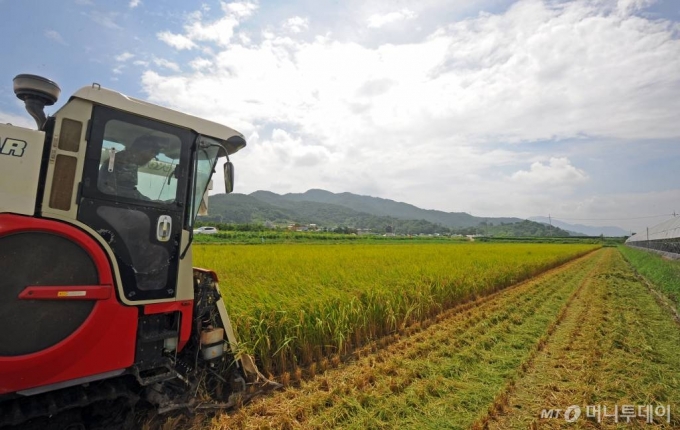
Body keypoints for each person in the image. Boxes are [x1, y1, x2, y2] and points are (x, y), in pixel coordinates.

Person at [98, 135, 162, 200]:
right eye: (153, 152)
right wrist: (152, 203)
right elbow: (127, 194)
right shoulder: (126, 161)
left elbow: (129, 190)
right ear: (142, 149)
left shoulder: (126, 158)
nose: (153, 156)